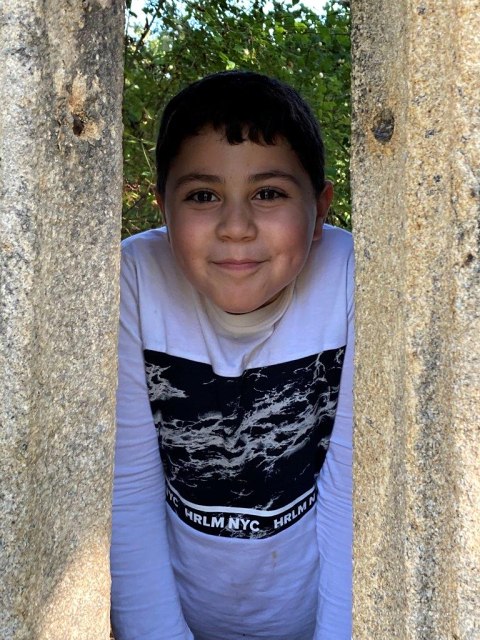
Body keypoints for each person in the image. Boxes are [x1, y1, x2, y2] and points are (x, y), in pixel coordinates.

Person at [110, 71, 353, 640]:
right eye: (203, 196)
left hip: (320, 617)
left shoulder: (349, 274)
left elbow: (352, 491)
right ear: (163, 208)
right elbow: (128, 489)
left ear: (320, 208)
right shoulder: (134, 277)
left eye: (268, 194)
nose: (236, 228)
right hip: (177, 616)